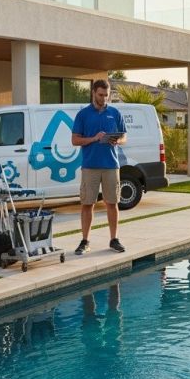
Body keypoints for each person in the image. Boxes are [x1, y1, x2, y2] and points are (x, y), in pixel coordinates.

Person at [71, 79, 127, 254]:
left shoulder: (115, 113)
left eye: (106, 95)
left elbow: (124, 137)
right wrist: (94, 138)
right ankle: (85, 241)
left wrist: (116, 140)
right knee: (87, 204)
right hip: (90, 166)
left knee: (112, 203)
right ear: (94, 93)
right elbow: (75, 140)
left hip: (111, 165)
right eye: (101, 95)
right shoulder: (83, 115)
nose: (104, 99)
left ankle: (114, 239)